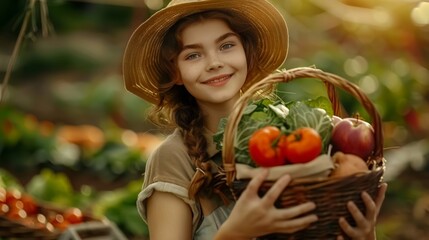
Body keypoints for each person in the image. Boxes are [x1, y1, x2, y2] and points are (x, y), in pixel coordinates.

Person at [122, 0, 388, 239]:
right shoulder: (174, 159)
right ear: (175, 72)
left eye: (226, 45)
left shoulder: (287, 133)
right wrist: (235, 234)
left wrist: (365, 236)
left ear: (246, 53)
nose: (214, 63)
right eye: (193, 55)